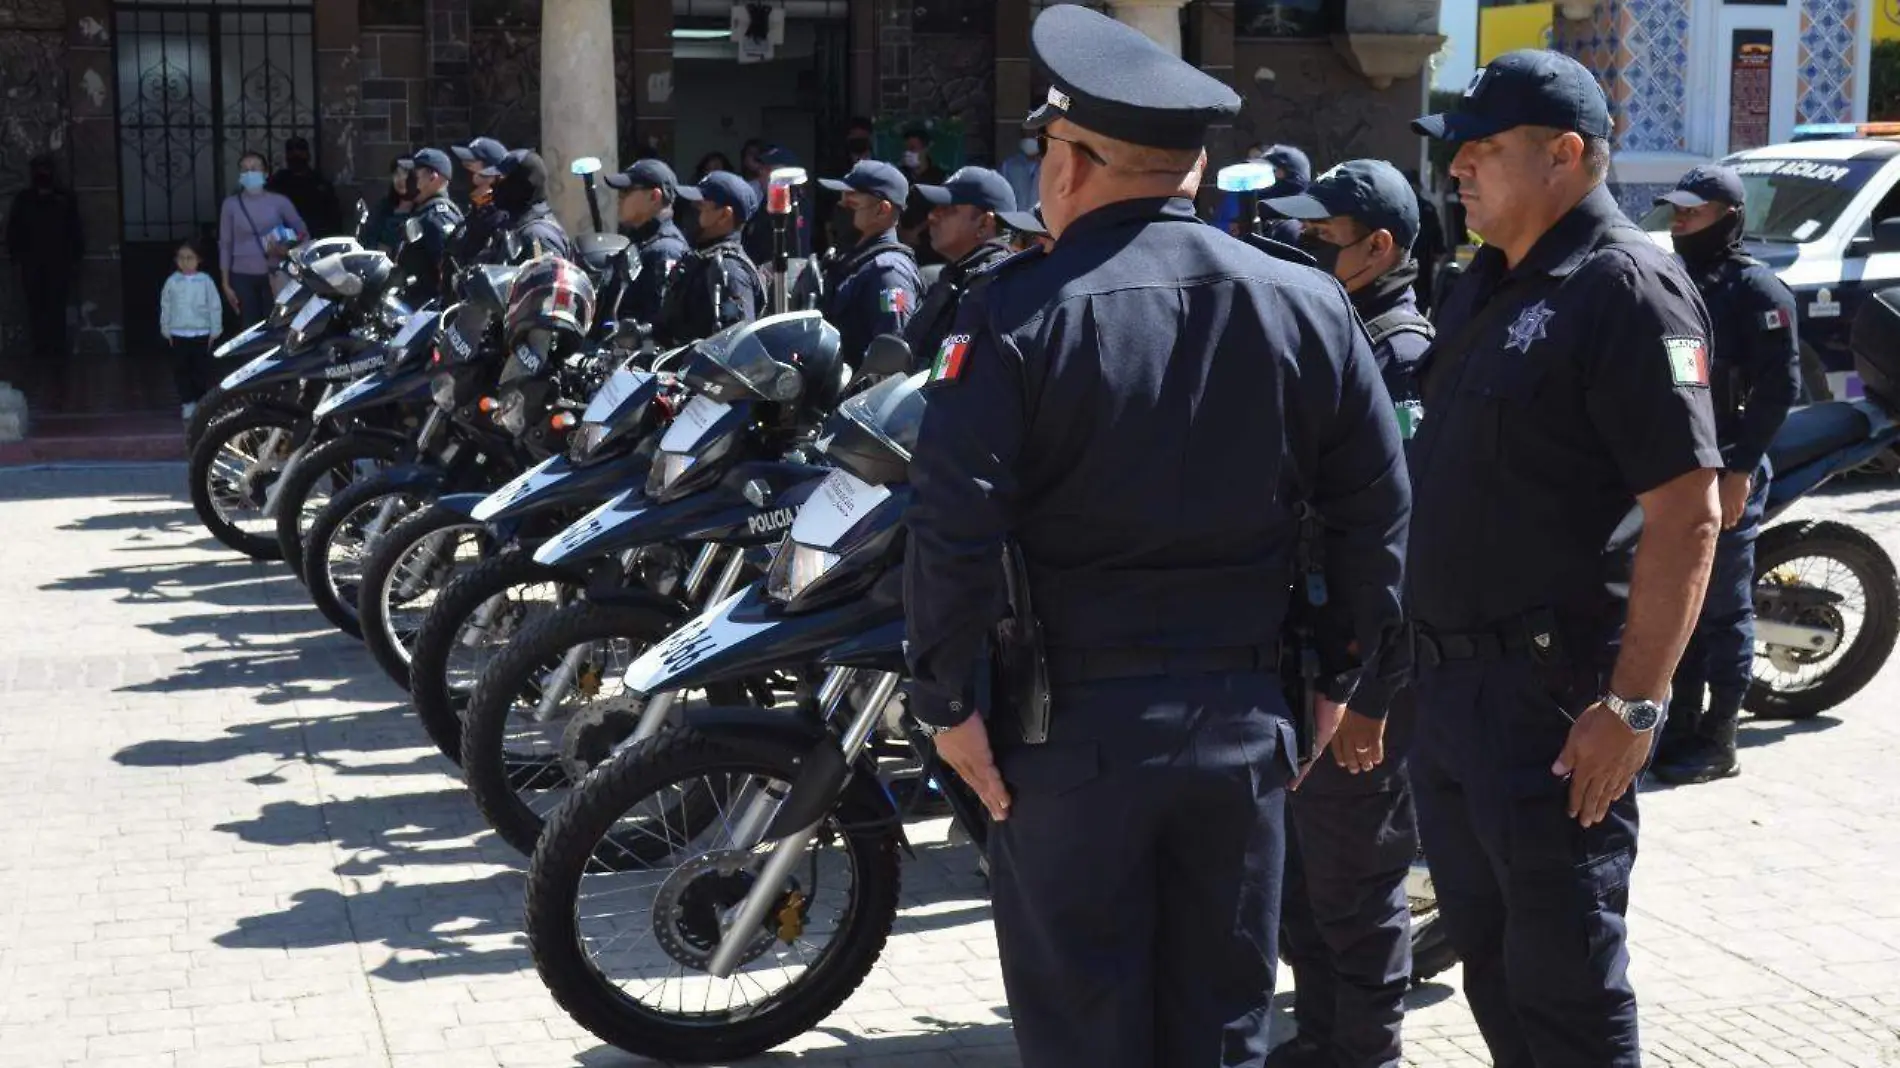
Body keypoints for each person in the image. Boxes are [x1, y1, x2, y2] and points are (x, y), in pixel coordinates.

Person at [904, 7, 1410, 1066]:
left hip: (1067, 736)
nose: (1039, 169)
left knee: (1086, 1032)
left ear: (1078, 161)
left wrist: (947, 706)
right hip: (1243, 722)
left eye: (1046, 148)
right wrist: (1343, 677)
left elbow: (953, 528)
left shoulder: (1013, 315)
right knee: (1219, 1028)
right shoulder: (1309, 304)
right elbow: (1375, 510)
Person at [1407, 50, 1723, 1068]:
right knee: (1494, 968)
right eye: (1455, 151)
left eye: (1483, 150)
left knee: (1566, 984)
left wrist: (1633, 708)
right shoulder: (1482, 284)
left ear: (1565, 155)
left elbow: (1687, 515)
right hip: (1449, 692)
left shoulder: (1627, 288)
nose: (1458, 169)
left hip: (1550, 702)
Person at [1260, 159, 1434, 1068]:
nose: (1300, 245)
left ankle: (1364, 1050)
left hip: (1366, 665)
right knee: (1307, 874)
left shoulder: (1399, 352)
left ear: (1379, 247)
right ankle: (1322, 1033)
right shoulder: (1334, 330)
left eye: (1320, 235)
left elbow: (1403, 547)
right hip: (1315, 647)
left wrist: (1374, 693)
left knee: (1357, 876)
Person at [1651, 165, 1800, 785]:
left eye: (1694, 213)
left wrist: (1738, 472)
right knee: (1678, 601)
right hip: (1680, 468)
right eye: (1677, 213)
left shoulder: (1758, 292)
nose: (1680, 222)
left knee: (1721, 609)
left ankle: (1720, 737)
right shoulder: (1681, 280)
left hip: (1730, 468)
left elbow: (1778, 389)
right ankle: (1679, 724)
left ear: (1728, 218)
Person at [812, 160, 923, 370]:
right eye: (841, 202)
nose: (841, 209)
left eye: (851, 205)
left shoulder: (889, 273)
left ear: (882, 210)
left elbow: (891, 358)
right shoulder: (850, 260)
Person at [903, 166, 1017, 368]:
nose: (931, 216)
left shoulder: (996, 287)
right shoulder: (958, 276)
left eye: (947, 209)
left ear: (984, 223)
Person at [5, 153, 84, 407]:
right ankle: (40, 348)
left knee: (57, 305)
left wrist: (74, 257)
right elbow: (13, 230)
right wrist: (16, 256)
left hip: (58, 262)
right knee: (35, 305)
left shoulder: (64, 199)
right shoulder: (24, 200)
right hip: (32, 263)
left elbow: (75, 230)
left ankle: (56, 350)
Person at [660, 170, 767, 344]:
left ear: (724, 215)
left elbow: (737, 348)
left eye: (699, 207)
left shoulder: (729, 271)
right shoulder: (697, 259)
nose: (690, 213)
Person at [220, 150, 307, 327]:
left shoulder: (279, 202)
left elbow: (303, 232)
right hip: (241, 274)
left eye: (254, 168)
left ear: (265, 173)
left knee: (276, 323)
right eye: (244, 169)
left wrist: (289, 249)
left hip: (275, 272)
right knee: (248, 326)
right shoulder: (230, 205)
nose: (249, 173)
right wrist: (225, 282)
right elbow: (225, 243)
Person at [605, 158, 690, 328]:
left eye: (626, 191)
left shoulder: (666, 250)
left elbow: (657, 327)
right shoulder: (642, 242)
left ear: (654, 196)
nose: (619, 198)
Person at [159, 238, 222, 420]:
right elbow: (166, 306)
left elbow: (214, 305)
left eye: (190, 257)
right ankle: (187, 402)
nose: (185, 262)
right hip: (179, 333)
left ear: (198, 259)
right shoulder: (172, 282)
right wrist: (166, 329)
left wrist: (215, 329)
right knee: (181, 370)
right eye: (181, 258)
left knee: (200, 370)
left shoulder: (205, 281)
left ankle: (201, 402)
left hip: (201, 332)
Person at [397, 148, 465, 303]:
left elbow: (450, 267)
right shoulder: (423, 211)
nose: (408, 180)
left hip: (428, 311)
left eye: (415, 174)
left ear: (433, 178)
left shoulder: (438, 216)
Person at [481, 149, 570, 261]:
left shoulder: (537, 235)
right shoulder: (514, 224)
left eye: (500, 180)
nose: (493, 186)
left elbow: (549, 277)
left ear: (521, 185)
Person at [449, 137, 509, 274]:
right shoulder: (475, 212)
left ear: (492, 175)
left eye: (469, 165)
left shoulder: (500, 219)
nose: (463, 169)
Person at [267, 136, 342, 239]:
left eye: (300, 150)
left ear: (308, 154)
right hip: (285, 240)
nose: (296, 154)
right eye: (291, 151)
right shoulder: (277, 182)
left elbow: (333, 217)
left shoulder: (320, 183)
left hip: (315, 238)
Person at [898, 126, 949, 265]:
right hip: (902, 246)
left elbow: (943, 209)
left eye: (913, 148)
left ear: (925, 149)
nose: (909, 153)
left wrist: (916, 231)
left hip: (930, 247)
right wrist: (902, 232)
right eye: (907, 149)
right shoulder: (900, 176)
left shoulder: (939, 177)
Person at [1403, 168, 1447, 311]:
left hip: (1417, 255)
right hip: (1415, 255)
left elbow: (1435, 231)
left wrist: (1439, 249)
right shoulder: (1419, 207)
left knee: (1419, 287)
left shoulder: (1422, 207)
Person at [362, 156, 417, 253]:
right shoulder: (384, 206)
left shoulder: (423, 208)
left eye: (405, 173)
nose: (400, 179)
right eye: (396, 174)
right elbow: (368, 236)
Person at [1000, 130, 1043, 215]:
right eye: (1026, 137)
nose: (1029, 140)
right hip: (1016, 220)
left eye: (1032, 136)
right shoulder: (1009, 166)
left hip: (1042, 222)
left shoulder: (1050, 166)